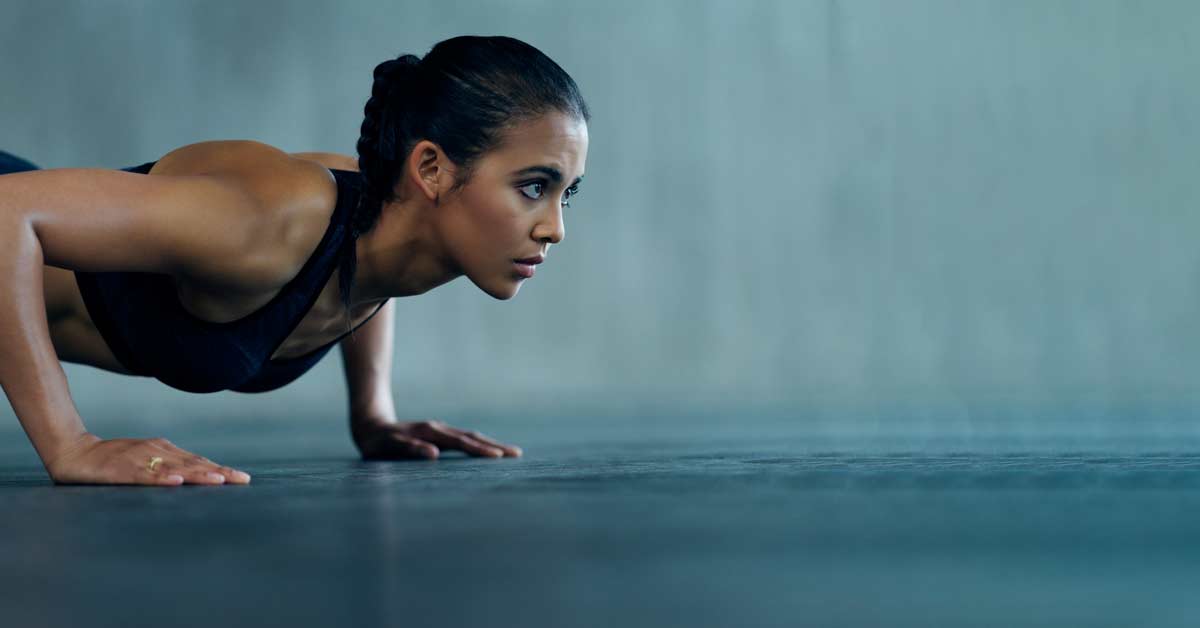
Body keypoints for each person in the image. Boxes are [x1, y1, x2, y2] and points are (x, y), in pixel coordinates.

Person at [0, 35, 590, 486]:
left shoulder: (389, 225)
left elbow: (373, 276)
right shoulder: (269, 217)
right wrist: (70, 445)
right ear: (431, 169)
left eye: (568, 193)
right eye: (534, 186)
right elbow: (7, 213)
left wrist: (374, 415)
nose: (555, 229)